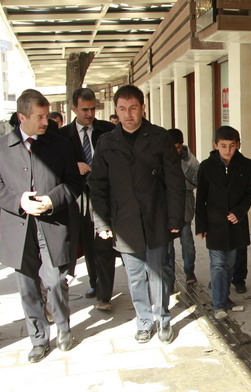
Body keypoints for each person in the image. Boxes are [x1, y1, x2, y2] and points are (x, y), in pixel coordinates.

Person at [0, 89, 83, 363]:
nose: (45, 122)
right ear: (22, 117)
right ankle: (38, 339)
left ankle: (63, 328)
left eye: (47, 116)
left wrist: (52, 200)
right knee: (27, 286)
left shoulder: (60, 145)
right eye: (39, 117)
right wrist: (19, 201)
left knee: (55, 280)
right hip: (19, 227)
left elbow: (74, 182)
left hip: (53, 224)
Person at [89, 85, 185, 344]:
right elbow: (98, 185)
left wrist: (175, 218)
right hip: (124, 221)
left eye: (133, 108)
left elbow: (175, 181)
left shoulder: (160, 137)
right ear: (116, 110)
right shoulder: (107, 142)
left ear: (143, 108)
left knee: (158, 273)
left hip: (156, 217)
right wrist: (102, 222)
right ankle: (143, 321)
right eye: (122, 109)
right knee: (135, 277)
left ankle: (163, 319)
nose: (128, 114)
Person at [56, 87, 117, 311]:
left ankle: (104, 295)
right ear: (74, 109)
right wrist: (74, 166)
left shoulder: (108, 130)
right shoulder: (62, 136)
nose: (90, 114)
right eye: (84, 110)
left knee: (104, 245)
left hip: (104, 196)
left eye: (92, 109)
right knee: (86, 245)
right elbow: (54, 166)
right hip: (77, 199)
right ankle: (93, 282)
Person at [196, 126, 251, 319]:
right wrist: (201, 225)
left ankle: (224, 297)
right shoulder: (206, 167)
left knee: (230, 264)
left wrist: (239, 211)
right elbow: (201, 198)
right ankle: (219, 304)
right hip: (214, 223)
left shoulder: (247, 165)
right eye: (223, 146)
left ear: (238, 145)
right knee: (218, 264)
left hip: (236, 223)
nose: (228, 150)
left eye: (232, 146)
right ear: (215, 145)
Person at [165, 128, 199, 286]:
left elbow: (196, 181)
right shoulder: (160, 157)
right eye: (171, 147)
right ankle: (169, 278)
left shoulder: (190, 160)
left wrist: (181, 167)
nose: (175, 151)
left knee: (187, 244)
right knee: (167, 247)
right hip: (166, 208)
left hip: (184, 207)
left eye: (178, 147)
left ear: (182, 145)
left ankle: (189, 271)